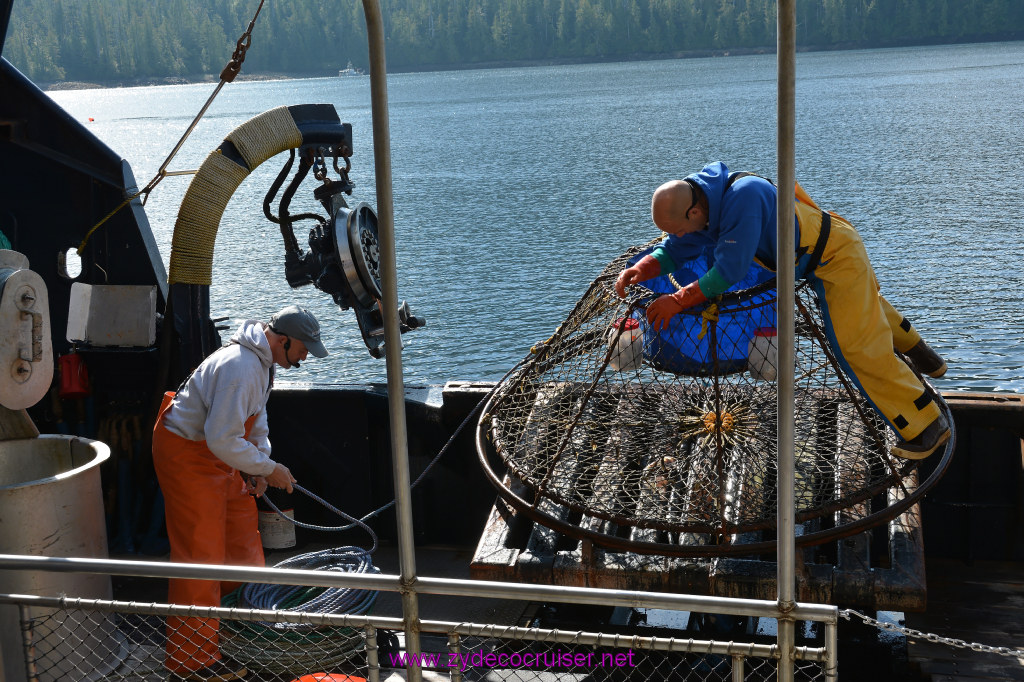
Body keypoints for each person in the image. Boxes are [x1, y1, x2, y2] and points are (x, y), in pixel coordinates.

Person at [615, 161, 949, 461]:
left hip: (834, 258)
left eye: (679, 227)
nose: (679, 235)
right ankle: (924, 357)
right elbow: (677, 248)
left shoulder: (742, 198)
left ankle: (925, 425)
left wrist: (677, 300)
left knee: (855, 345)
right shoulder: (702, 201)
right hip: (811, 256)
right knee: (868, 311)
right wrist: (643, 268)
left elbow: (727, 271)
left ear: (692, 213)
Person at [152, 304, 329, 680]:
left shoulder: (263, 366)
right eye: (302, 349)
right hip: (187, 454)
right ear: (283, 340)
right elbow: (220, 437)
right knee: (201, 558)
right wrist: (270, 469)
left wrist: (258, 465)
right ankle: (192, 665)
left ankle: (235, 637)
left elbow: (256, 421)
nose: (305, 356)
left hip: (220, 454)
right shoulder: (240, 368)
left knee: (242, 547)